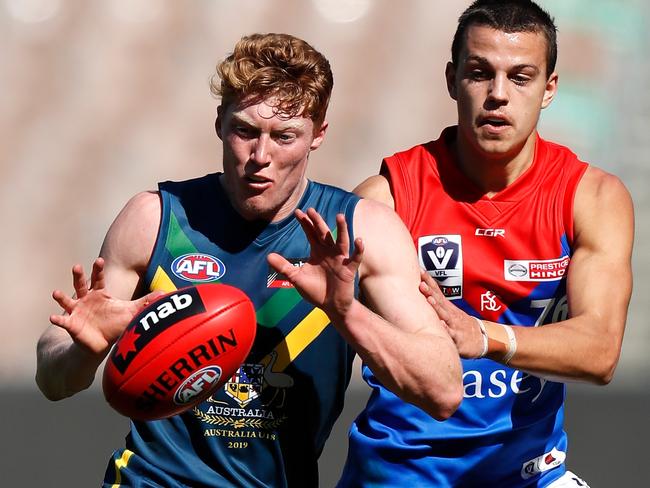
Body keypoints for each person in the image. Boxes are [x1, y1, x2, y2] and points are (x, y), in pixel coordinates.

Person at [35, 33, 462, 487]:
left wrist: (346, 311)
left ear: (318, 135)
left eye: (284, 136)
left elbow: (443, 390)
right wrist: (85, 347)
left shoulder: (363, 234)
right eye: (245, 131)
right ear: (219, 122)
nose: (261, 157)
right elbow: (53, 380)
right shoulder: (155, 218)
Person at [341, 1, 634, 487]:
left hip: (529, 474)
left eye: (521, 78)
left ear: (549, 89)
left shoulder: (592, 197)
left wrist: (483, 337)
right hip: (401, 471)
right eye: (480, 73)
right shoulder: (387, 199)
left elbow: (600, 350)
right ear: (453, 78)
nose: (498, 95)